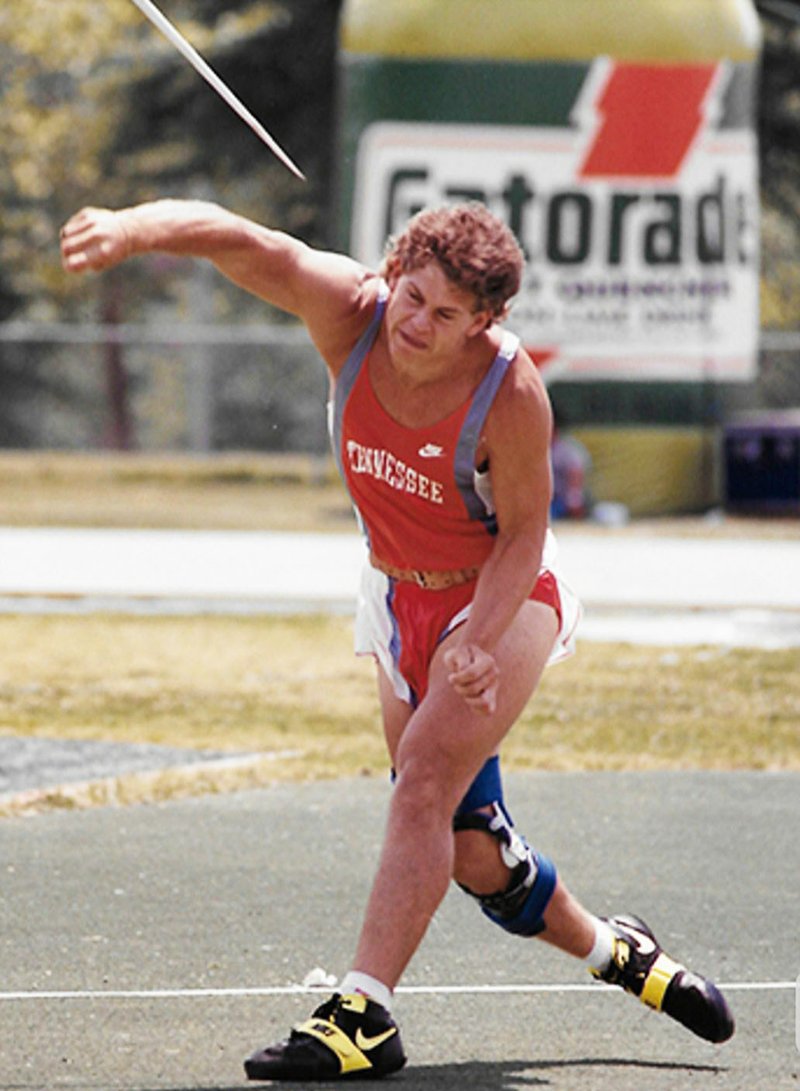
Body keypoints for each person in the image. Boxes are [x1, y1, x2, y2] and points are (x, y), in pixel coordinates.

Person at [61, 200, 734, 1080]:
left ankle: (364, 1013)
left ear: (485, 321)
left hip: (501, 595)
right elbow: (246, 240)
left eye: (446, 314)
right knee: (472, 852)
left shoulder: (510, 391)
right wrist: (133, 229)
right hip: (393, 592)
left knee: (421, 781)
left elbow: (526, 533)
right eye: (413, 296)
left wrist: (481, 640)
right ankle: (620, 951)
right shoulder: (351, 311)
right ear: (393, 272)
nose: (418, 323)